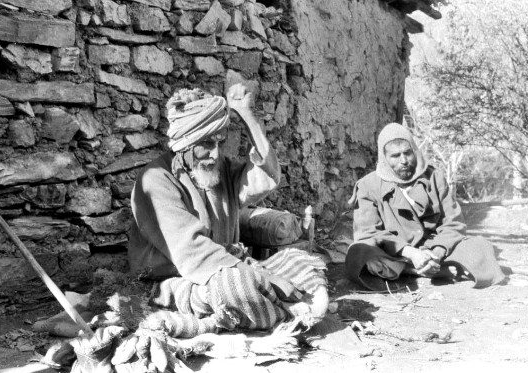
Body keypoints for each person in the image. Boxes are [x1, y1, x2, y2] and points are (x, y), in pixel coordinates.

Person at [127, 83, 328, 338]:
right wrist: (266, 278)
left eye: (219, 142)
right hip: (171, 280)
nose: (215, 154)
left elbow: (267, 177)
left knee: (298, 262)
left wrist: (245, 114)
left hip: (227, 265)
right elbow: (192, 252)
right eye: (206, 144)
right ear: (185, 143)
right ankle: (285, 315)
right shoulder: (156, 180)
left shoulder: (220, 170)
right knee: (236, 288)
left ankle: (271, 307)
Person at [345, 122, 505, 290]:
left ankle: (423, 268)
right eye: (395, 156)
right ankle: (421, 270)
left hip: (435, 248)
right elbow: (368, 232)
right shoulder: (367, 186)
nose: (404, 161)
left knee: (479, 247)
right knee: (360, 253)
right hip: (396, 253)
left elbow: (454, 222)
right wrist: (412, 254)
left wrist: (436, 253)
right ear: (384, 159)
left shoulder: (434, 177)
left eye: (408, 153)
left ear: (415, 150)